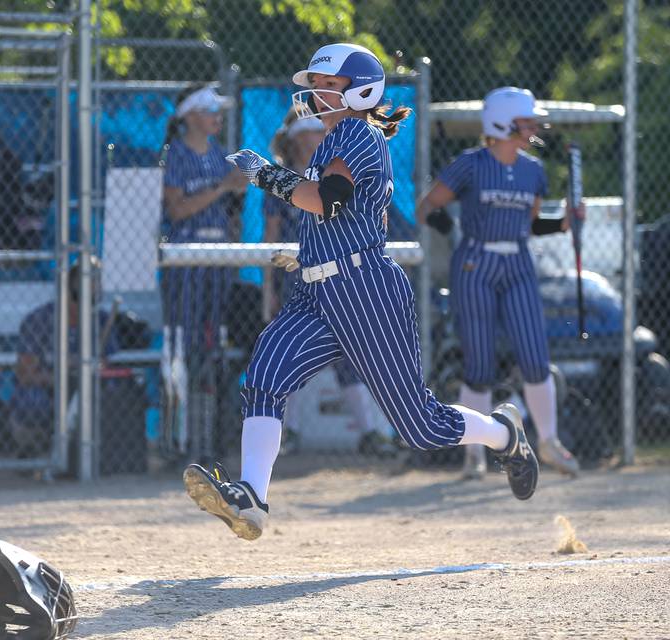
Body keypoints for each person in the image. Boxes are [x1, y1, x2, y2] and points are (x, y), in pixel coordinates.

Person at [183, 43, 539, 541]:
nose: (318, 95)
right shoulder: (334, 137)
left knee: (420, 426)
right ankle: (252, 497)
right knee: (264, 374)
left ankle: (504, 434)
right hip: (318, 289)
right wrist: (308, 255)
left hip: (363, 288)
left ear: (361, 91)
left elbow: (326, 201)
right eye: (318, 87)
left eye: (330, 86)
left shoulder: (357, 134)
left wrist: (266, 174)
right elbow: (334, 217)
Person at [416, 86, 582, 479]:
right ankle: (473, 455)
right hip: (476, 261)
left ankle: (549, 441)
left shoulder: (533, 170)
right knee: (479, 363)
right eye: (525, 120)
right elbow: (427, 207)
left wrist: (564, 222)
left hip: (518, 262)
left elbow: (531, 223)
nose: (533, 126)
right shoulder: (471, 164)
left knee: (534, 354)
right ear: (502, 121)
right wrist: (453, 231)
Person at [263, 107, 398, 457]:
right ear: (294, 141)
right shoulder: (282, 181)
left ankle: (370, 432)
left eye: (318, 133)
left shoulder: (338, 175)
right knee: (290, 354)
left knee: (349, 352)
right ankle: (285, 433)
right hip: (294, 278)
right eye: (308, 133)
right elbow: (270, 239)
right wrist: (268, 293)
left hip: (339, 276)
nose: (316, 138)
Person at [160, 84, 247, 464]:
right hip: (186, 261)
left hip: (216, 261)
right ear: (190, 115)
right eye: (210, 110)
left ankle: (211, 440)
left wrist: (235, 199)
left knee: (216, 348)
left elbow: (228, 210)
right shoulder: (175, 154)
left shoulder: (218, 155)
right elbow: (177, 210)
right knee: (183, 349)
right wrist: (222, 187)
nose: (217, 117)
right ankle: (179, 442)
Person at [9, 258, 117, 456]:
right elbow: (25, 376)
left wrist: (86, 373)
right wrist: (63, 377)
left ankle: (92, 453)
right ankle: (36, 450)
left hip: (86, 390)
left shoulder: (101, 320)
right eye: (85, 297)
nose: (91, 304)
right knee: (32, 401)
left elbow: (107, 367)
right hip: (49, 389)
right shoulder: (39, 320)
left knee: (111, 392)